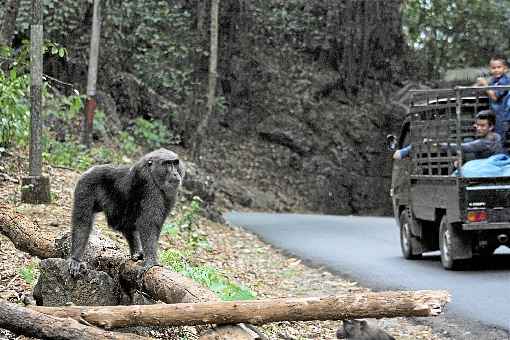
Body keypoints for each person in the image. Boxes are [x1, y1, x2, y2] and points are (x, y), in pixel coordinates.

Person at [393, 110, 503, 160]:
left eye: (483, 126)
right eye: (477, 125)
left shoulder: (485, 142)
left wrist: (436, 144)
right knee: (467, 140)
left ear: (491, 126)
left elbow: (464, 147)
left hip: (488, 167)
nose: (479, 128)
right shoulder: (496, 136)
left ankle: (404, 151)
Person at [476, 55, 510, 141]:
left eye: (499, 67)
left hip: (502, 116)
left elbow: (494, 97)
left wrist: (485, 84)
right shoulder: (493, 81)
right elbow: (486, 91)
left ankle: (501, 153)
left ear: (505, 69)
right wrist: (479, 85)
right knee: (494, 138)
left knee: (500, 139)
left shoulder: (505, 80)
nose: (496, 70)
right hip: (494, 115)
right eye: (493, 68)